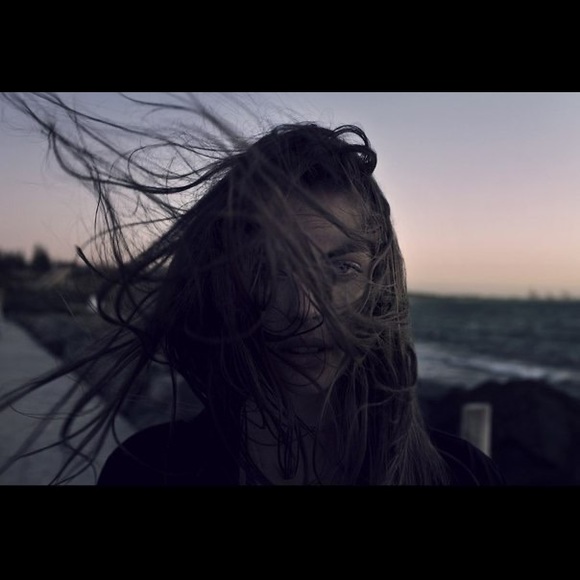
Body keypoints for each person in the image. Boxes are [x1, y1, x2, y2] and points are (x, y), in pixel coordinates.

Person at [0, 92, 505, 486]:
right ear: (227, 280)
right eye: (269, 268)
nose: (304, 310)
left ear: (380, 284)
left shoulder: (463, 476)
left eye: (341, 268)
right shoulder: (147, 470)